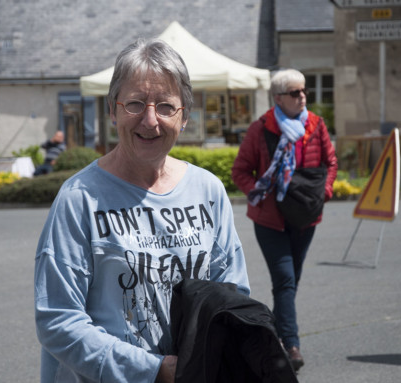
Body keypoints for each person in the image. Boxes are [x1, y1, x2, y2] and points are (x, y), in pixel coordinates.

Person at [34, 38, 250, 383]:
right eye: (135, 104)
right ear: (112, 110)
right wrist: (153, 371)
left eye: (165, 106)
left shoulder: (207, 190)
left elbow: (232, 295)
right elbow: (58, 320)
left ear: (184, 117)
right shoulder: (79, 198)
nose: (150, 121)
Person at [232, 68, 337, 372]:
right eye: (295, 92)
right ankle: (291, 345)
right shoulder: (260, 129)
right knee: (285, 280)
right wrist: (261, 194)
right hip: (271, 219)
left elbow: (331, 163)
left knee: (289, 284)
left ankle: (274, 338)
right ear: (278, 98)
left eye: (304, 90)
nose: (302, 96)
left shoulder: (316, 125)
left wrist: (325, 192)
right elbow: (240, 171)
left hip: (305, 215)